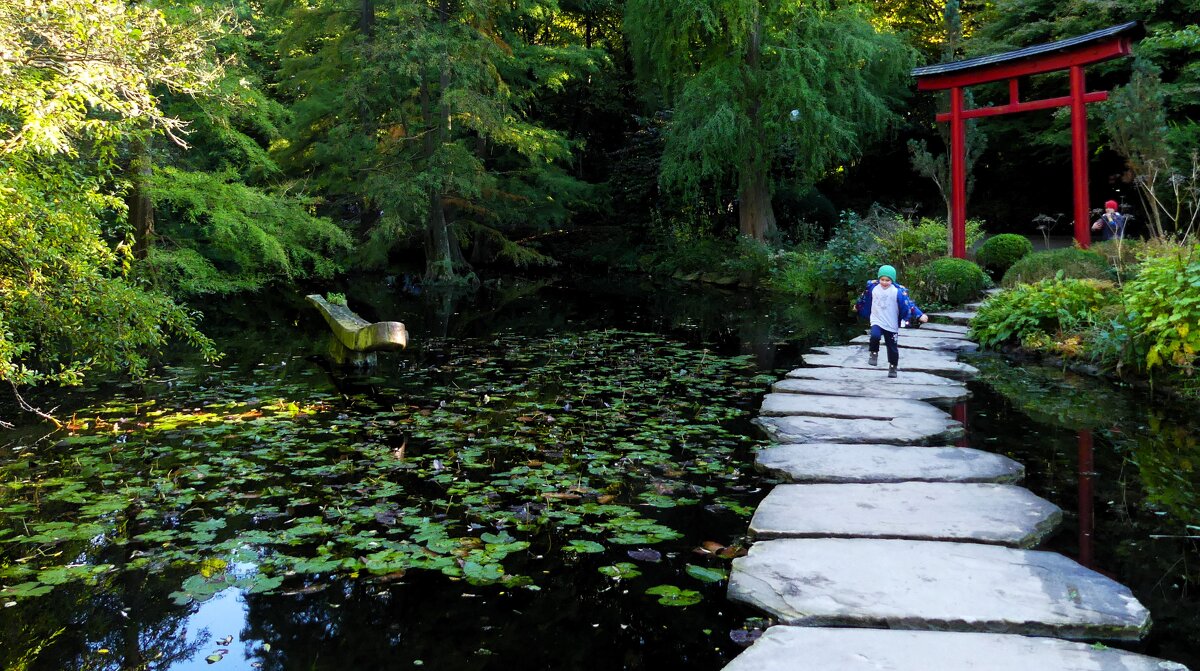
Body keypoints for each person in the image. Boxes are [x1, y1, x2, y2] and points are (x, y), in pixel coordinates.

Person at [854, 265, 929, 378]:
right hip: (877, 319)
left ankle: (893, 367)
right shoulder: (872, 288)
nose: (884, 282)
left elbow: (909, 304)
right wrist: (858, 306)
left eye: (887, 280)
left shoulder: (897, 291)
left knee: (892, 347)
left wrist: (919, 315)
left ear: (892, 280)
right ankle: (874, 353)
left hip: (891, 323)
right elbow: (864, 298)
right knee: (875, 336)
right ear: (879, 279)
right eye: (882, 279)